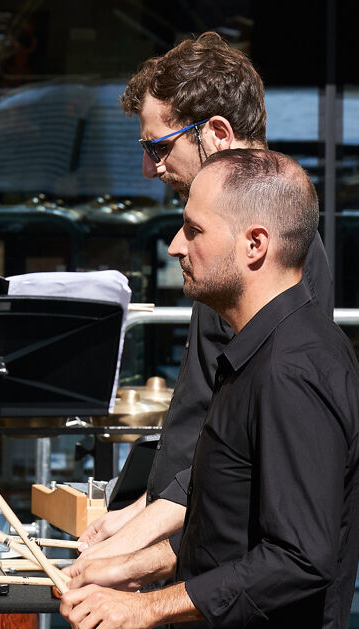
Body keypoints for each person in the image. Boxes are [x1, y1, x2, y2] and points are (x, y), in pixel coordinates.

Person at [60, 149, 359, 629]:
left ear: (255, 244)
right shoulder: (260, 353)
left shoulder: (291, 369)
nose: (175, 245)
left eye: (194, 230)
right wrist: (129, 564)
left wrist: (143, 611)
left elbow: (297, 557)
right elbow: (234, 533)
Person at [71, 32, 334, 565]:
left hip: (227, 573)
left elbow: (246, 454)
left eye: (159, 146)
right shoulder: (227, 244)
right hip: (192, 540)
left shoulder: (266, 257)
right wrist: (137, 514)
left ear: (216, 133)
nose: (150, 168)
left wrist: (138, 547)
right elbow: (212, 425)